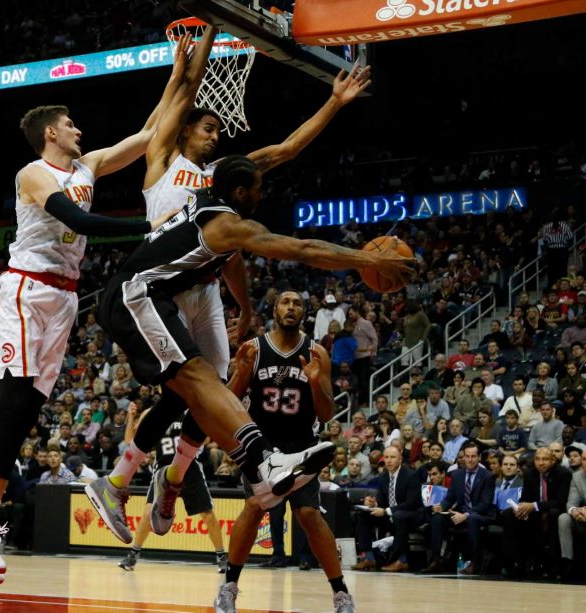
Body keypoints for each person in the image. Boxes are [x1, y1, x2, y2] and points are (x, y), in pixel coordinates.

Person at [88, 37, 373, 546]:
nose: (215, 133)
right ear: (184, 130)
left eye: (219, 127)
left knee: (217, 386)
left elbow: (286, 152)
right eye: (207, 125)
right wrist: (207, 38)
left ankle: (173, 478)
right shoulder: (162, 159)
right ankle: (159, 475)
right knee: (190, 387)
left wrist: (334, 101)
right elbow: (186, 88)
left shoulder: (224, 179)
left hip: (200, 286)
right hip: (159, 286)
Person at [0, 44, 191, 583]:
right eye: (71, 125)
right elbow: (77, 223)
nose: (79, 130)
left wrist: (178, 75)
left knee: (28, 407)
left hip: (62, 298)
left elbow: (151, 134)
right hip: (27, 291)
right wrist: (148, 230)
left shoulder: (89, 165)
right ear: (50, 134)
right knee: (12, 398)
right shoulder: (33, 174)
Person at [89, 157, 412, 545]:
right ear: (241, 192)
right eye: (258, 187)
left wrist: (243, 308)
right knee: (200, 378)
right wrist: (370, 258)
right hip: (136, 294)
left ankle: (135, 482)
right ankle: (263, 459)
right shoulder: (227, 223)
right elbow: (303, 249)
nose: (264, 192)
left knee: (192, 392)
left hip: (153, 297)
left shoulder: (215, 209)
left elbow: (234, 259)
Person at [214, 291, 355, 613]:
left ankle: (341, 594)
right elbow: (229, 402)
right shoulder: (254, 348)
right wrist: (241, 373)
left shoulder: (317, 351)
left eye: (298, 304)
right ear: (274, 309)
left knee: (308, 514)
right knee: (253, 507)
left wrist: (317, 382)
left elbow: (326, 413)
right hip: (261, 446)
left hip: (302, 445)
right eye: (285, 302)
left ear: (304, 312)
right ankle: (229, 588)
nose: (291, 308)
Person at [118, 408, 227, 573]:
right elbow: (129, 440)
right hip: (163, 467)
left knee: (207, 513)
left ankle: (222, 556)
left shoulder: (191, 409)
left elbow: (206, 439)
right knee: (148, 513)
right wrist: (131, 416)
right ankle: (133, 554)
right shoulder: (152, 412)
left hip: (189, 466)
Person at [422, 443, 495, 575]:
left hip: (480, 514)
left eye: (473, 456)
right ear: (463, 458)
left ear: (479, 457)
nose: (470, 459)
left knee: (472, 518)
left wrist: (466, 514)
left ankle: (475, 563)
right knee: (438, 517)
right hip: (459, 513)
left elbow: (485, 504)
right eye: (467, 456)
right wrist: (442, 506)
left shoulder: (487, 476)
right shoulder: (457, 475)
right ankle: (436, 560)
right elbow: (450, 498)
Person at [501, 447, 573, 579]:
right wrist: (520, 507)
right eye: (537, 459)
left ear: (553, 460)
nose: (541, 463)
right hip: (535, 512)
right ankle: (513, 563)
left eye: (545, 459)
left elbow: (560, 501)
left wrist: (533, 506)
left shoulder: (563, 474)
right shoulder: (529, 473)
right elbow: (525, 498)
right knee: (508, 514)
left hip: (553, 511)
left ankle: (554, 566)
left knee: (553, 513)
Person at [351, 447, 422, 572]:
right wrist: (374, 503)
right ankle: (369, 557)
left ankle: (401, 560)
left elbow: (411, 503)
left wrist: (385, 511)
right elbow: (382, 499)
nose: (389, 461)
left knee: (399, 516)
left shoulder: (411, 475)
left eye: (393, 457)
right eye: (387, 457)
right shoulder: (384, 476)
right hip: (391, 514)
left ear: (400, 459)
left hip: (412, 515)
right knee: (364, 515)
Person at [558, 448, 586, 579]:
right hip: (583, 519)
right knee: (564, 518)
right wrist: (575, 512)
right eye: (585, 459)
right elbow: (571, 502)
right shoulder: (577, 476)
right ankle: (567, 563)